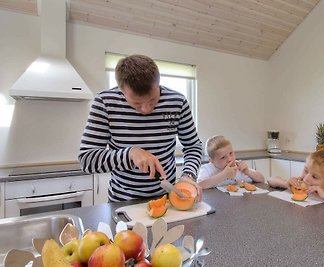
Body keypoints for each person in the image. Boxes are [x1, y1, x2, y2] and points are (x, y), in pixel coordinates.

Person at [79, 54, 203, 202]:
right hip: (122, 201)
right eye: (137, 104)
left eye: (152, 100)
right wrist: (130, 154)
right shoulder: (105, 102)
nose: (146, 109)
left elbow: (193, 146)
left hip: (167, 198)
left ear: (158, 83)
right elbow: (87, 160)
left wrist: (188, 175)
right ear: (122, 91)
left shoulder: (177, 102)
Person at [197, 135, 265, 189]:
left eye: (231, 153)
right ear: (212, 161)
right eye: (223, 157)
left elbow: (261, 179)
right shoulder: (207, 169)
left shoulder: (238, 166)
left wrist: (248, 172)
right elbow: (200, 185)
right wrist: (224, 175)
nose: (229, 159)